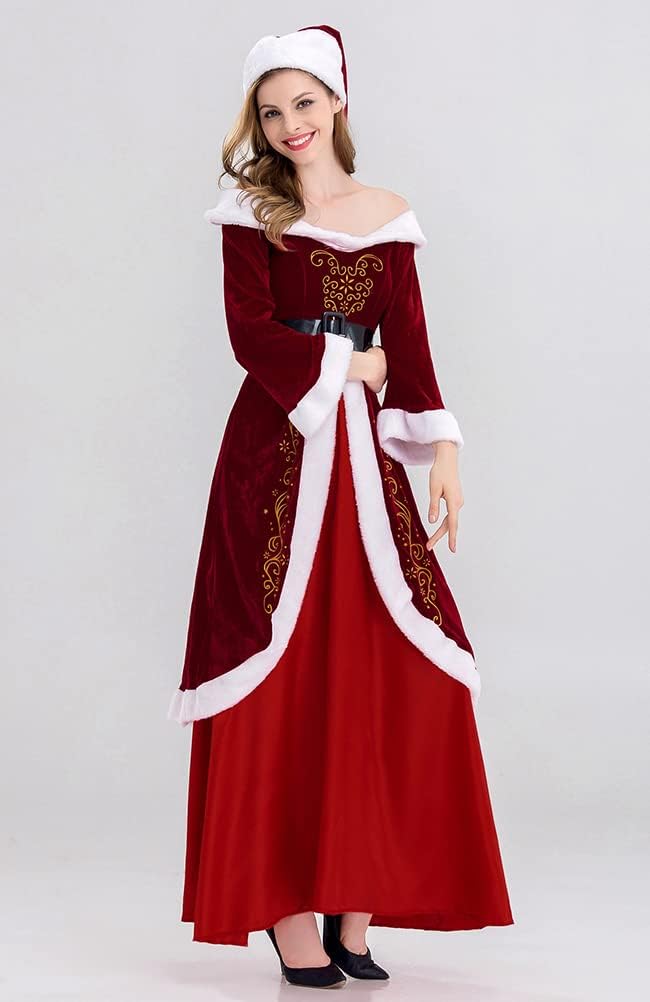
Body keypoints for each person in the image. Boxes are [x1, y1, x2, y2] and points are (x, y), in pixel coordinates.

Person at [168, 23, 514, 989]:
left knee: (383, 665)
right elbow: (250, 335)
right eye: (272, 111)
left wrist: (444, 453)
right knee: (278, 673)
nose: (291, 124)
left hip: (367, 469)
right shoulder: (251, 215)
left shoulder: (390, 217)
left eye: (305, 103)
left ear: (338, 103)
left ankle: (354, 907)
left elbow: (413, 343)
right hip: (272, 459)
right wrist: (349, 363)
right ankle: (287, 920)